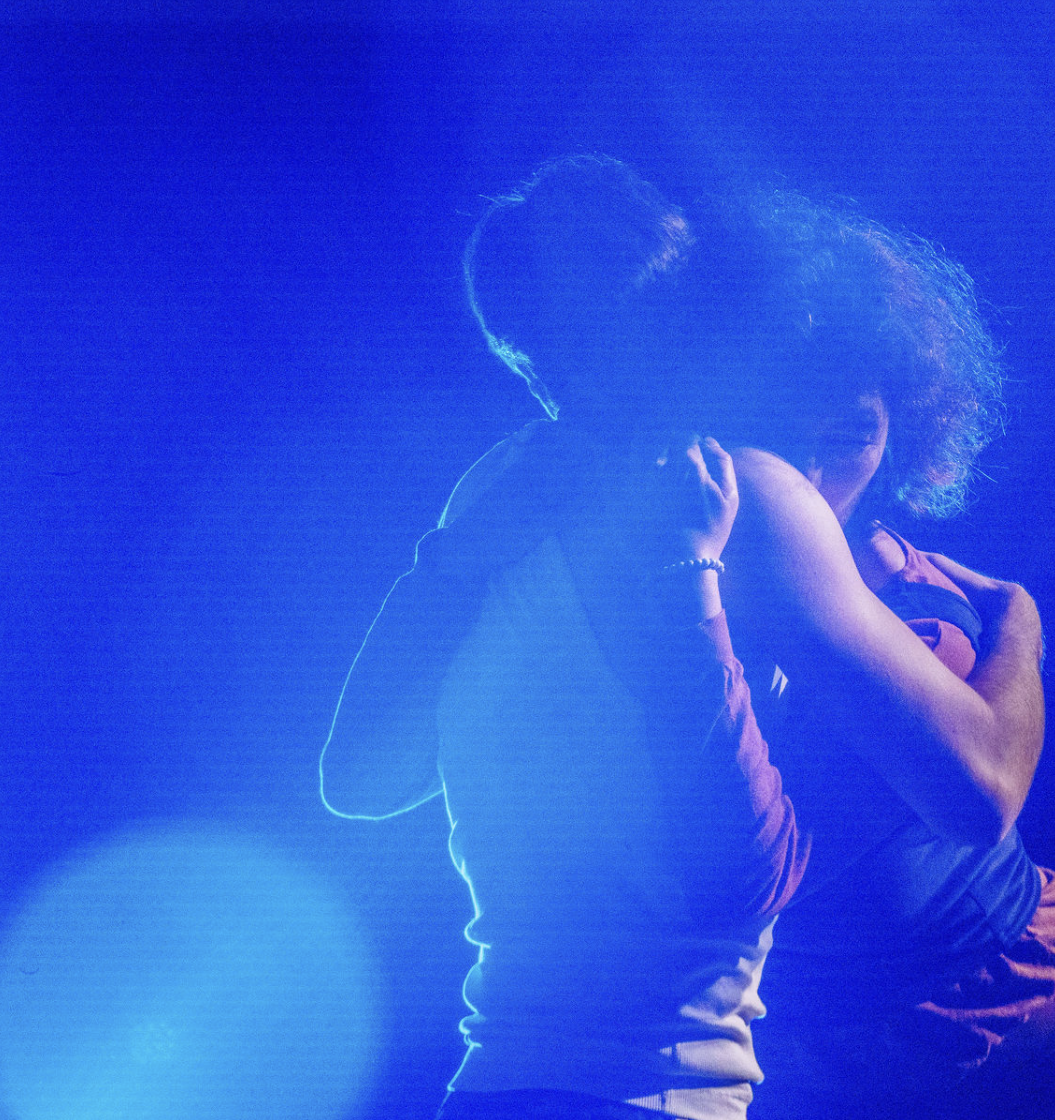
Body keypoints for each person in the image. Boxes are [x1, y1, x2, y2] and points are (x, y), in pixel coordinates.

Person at [319, 156, 810, 1120]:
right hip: (646, 1090)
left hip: (503, 1079)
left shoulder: (493, 495)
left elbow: (361, 780)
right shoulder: (729, 499)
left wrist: (449, 565)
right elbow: (750, 876)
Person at [687, 190, 1055, 1119]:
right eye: (792, 436)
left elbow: (985, 794)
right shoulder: (687, 568)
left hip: (1038, 1024)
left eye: (854, 435)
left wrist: (1016, 627)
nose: (816, 474)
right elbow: (978, 786)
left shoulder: (901, 572)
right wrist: (1020, 627)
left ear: (903, 425)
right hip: (835, 1061)